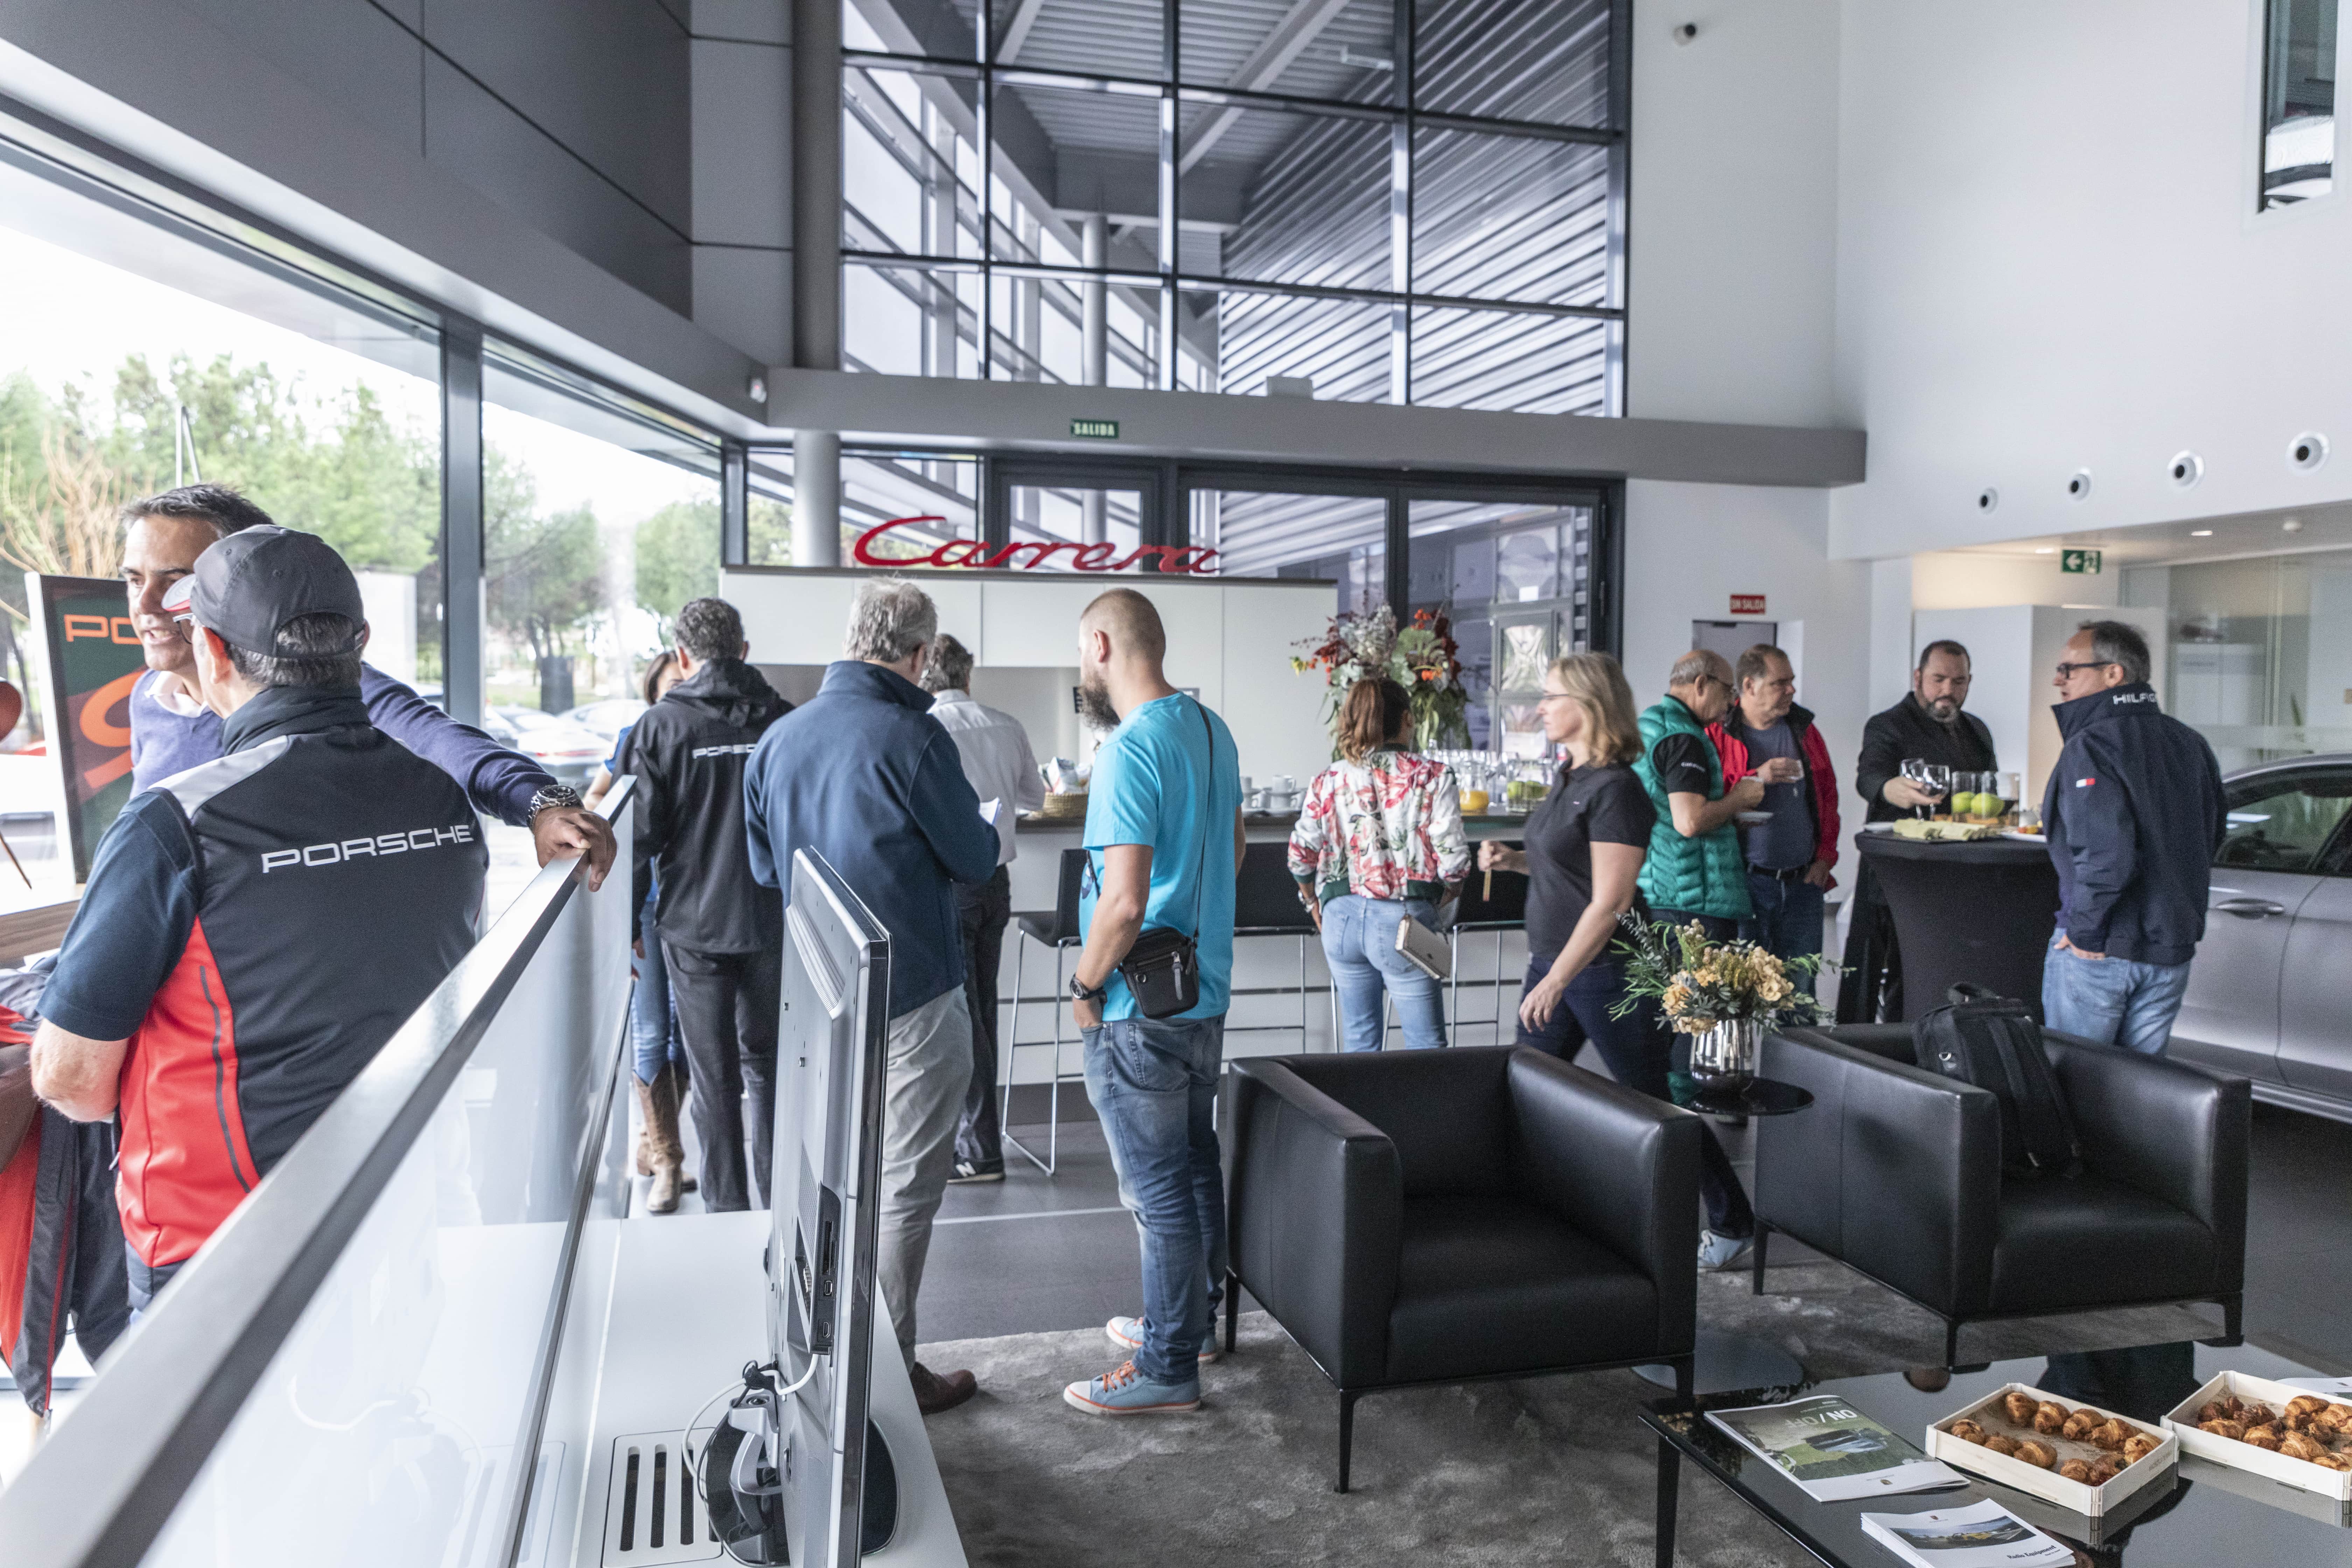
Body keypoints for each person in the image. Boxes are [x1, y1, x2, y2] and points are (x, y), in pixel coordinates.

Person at [29, 526, 486, 1308]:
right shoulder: (442, 800)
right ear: (359, 644)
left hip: (220, 1253)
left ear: (210, 649)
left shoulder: (174, 823)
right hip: (403, 1206)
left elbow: (72, 1079)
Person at [746, 580, 1000, 1417]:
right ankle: (884, 1381)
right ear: (921, 655)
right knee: (900, 1193)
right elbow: (975, 858)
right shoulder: (914, 737)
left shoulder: (777, 741)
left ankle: (819, 1359)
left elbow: (767, 869)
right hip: (913, 992)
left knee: (830, 1185)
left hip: (822, 1001)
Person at [116, 484, 612, 887]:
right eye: (135, 580)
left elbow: (447, 743)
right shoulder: (147, 698)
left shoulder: (314, 686)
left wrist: (544, 806)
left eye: (176, 582)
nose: (145, 604)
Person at [1483, 653, 1756, 1270]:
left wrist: (1557, 979)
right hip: (1557, 962)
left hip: (1606, 970)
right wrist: (1514, 861)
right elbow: (1572, 867)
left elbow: (1611, 900)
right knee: (1526, 1090)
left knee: (1653, 1100)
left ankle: (1734, 1221)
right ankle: (1538, 1214)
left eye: (1552, 697)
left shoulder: (1617, 790)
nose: (1541, 708)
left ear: (1588, 705)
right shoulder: (1571, 776)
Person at [1060, 588, 1244, 1418]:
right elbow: (1233, 849)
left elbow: (1125, 901)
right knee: (1195, 1168)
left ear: (1101, 644)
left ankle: (1169, 1365)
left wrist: (1084, 985)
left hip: (1137, 1007)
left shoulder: (1129, 749)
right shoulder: (1211, 729)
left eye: (1081, 651)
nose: (1082, 666)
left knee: (1157, 1191)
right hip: (1201, 993)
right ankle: (1191, 1325)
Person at [629, 599, 791, 1215]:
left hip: (693, 928)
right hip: (772, 919)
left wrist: (628, 923)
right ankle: (779, 1211)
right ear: (743, 651)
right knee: (768, 1070)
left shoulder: (660, 727)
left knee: (714, 1078)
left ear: (682, 656)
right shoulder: (785, 720)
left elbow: (638, 837)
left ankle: (727, 1213)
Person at [2040, 621, 2226, 1054]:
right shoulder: (2190, 742)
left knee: (2077, 1082)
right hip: (2170, 952)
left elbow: (2107, 854)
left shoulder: (2091, 744)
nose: (2058, 680)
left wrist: (2084, 931)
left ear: (2113, 674)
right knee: (2143, 1087)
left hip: (2101, 949)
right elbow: (2212, 834)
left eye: (2069, 669)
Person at [919, 634, 1046, 1184]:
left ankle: (979, 1149)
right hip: (996, 883)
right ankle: (980, 1141)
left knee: (960, 1018)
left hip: (949, 887)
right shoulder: (1006, 724)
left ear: (924, 673)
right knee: (983, 1012)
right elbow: (1035, 798)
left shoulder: (924, 728)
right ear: (967, 676)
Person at [1287, 676, 1470, 1051]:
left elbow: (1300, 855)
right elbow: (1454, 862)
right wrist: (1448, 893)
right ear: (1407, 719)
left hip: (1340, 921)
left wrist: (1312, 902)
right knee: (1427, 1047)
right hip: (1405, 921)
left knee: (1360, 1045)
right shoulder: (1433, 776)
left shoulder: (1328, 779)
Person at [1840, 639, 1997, 1022]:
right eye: (1939, 679)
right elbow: (1869, 777)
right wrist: (1890, 788)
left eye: (1958, 682)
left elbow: (1987, 790)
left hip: (1957, 871)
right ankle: (1868, 1047)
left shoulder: (1976, 729)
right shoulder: (1888, 724)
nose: (1948, 690)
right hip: (1897, 871)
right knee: (1887, 970)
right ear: (1918, 678)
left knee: (1934, 972)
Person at [592, 651, 695, 1213]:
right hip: (649, 906)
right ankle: (669, 1162)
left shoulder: (698, 732)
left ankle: (651, 1144)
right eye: (671, 684)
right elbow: (596, 797)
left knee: (686, 1036)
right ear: (653, 691)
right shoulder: (638, 736)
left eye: (686, 682)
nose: (680, 690)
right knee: (652, 1029)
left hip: (695, 905)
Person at [1706, 645, 1841, 964]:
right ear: (1750, 686)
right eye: (1780, 683)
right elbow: (1707, 803)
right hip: (1743, 884)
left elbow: (1828, 797)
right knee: (1742, 986)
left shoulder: (1805, 730)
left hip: (1804, 884)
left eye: (1791, 681)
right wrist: (1757, 778)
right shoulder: (1718, 734)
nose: (1791, 690)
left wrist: (1825, 860)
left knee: (1800, 988)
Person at [1633, 649, 1763, 937]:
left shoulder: (1648, 724)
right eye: (1728, 691)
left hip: (1655, 888)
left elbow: (1664, 810)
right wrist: (1739, 799)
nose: (1731, 702)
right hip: (1692, 904)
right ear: (1702, 684)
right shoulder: (1683, 738)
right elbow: (1690, 822)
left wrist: (1728, 818)